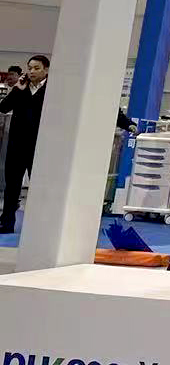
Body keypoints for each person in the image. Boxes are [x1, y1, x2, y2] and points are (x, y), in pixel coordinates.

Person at [0, 54, 136, 234]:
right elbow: (3, 108)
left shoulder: (57, 88)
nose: (32, 71)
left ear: (46, 70)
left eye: (37, 68)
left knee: (41, 189)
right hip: (17, 145)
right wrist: (17, 89)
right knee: (12, 187)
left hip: (42, 147)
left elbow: (101, 104)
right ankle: (6, 223)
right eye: (30, 68)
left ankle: (41, 226)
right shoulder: (21, 89)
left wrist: (127, 124)